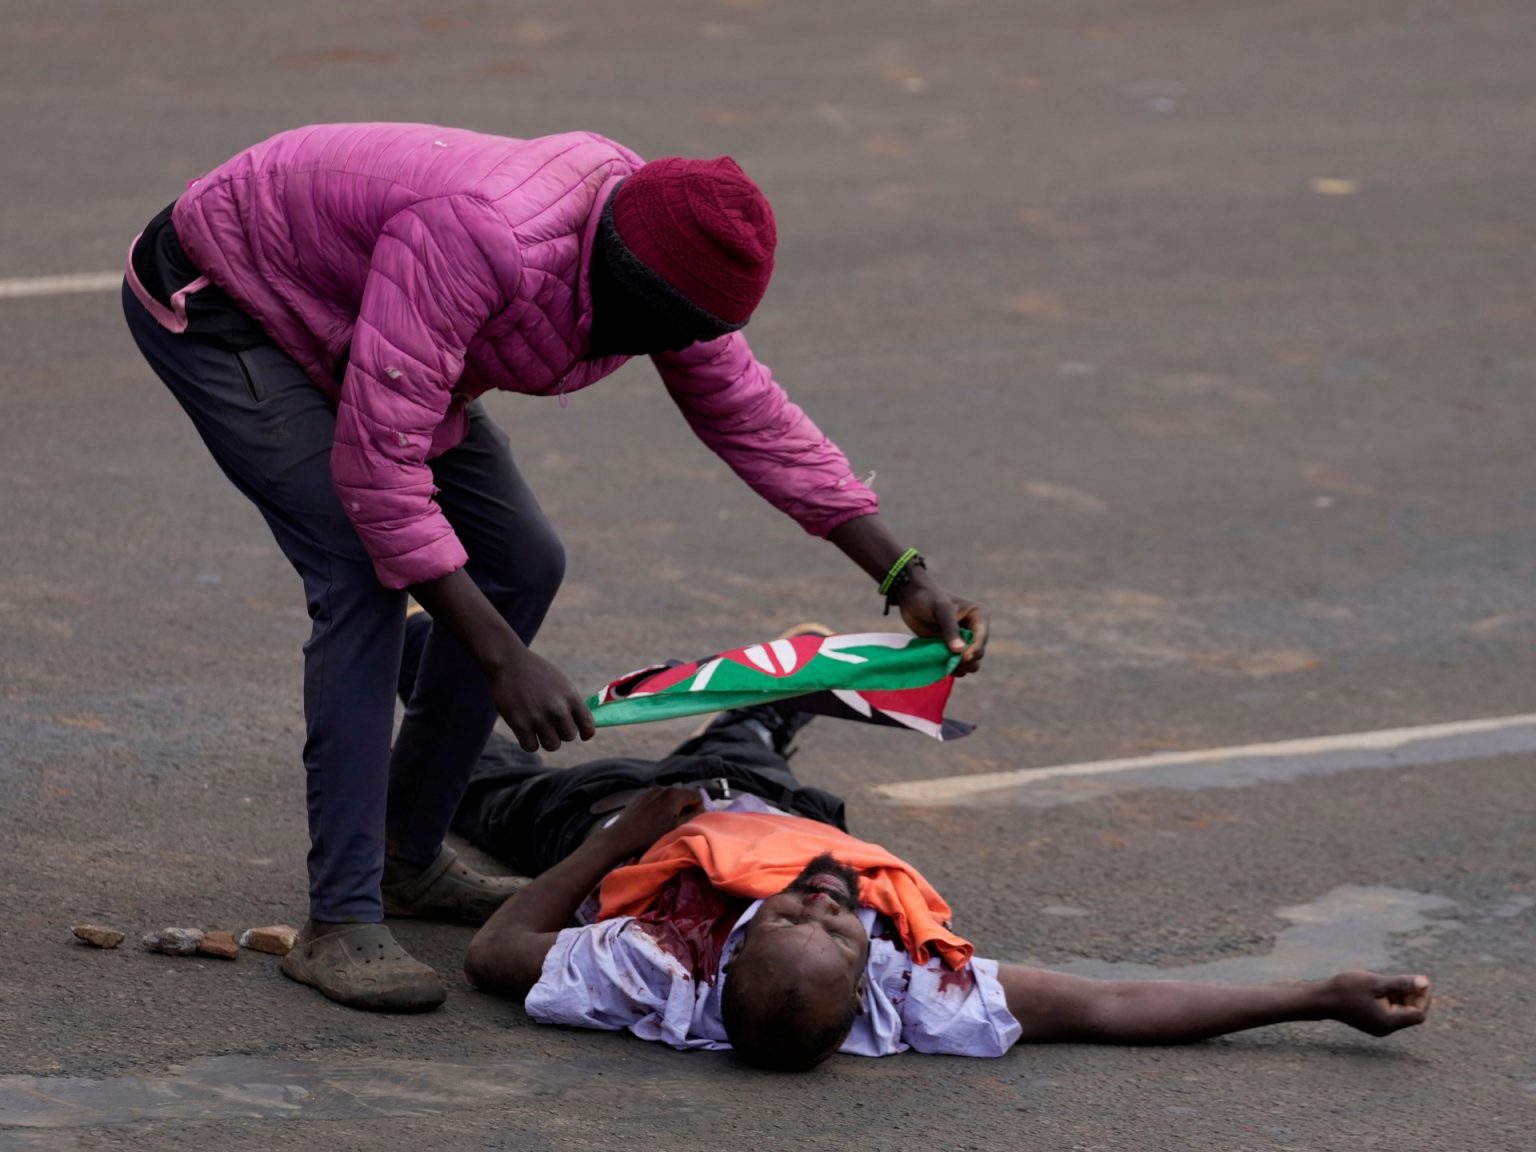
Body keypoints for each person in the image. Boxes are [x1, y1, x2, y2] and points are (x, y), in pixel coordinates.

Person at [120, 123, 988, 1012]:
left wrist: (903, 575)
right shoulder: (485, 236)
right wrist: (503, 659)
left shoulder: (670, 266)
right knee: (360, 574)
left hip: (370, 326)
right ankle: (340, 919)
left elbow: (749, 414)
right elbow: (381, 470)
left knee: (523, 560)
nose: (660, 348)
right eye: (655, 329)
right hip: (231, 298)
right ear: (616, 268)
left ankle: (403, 859)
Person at [454, 633, 1433, 1069]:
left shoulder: (657, 965)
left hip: (630, 825)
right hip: (792, 815)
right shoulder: (912, 992)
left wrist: (630, 836)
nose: (823, 905)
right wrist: (1318, 997)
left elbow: (496, 954)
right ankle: (778, 705)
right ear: (868, 984)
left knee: (475, 781)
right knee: (749, 749)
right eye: (839, 931)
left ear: (731, 954)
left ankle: (437, 656)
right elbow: (1110, 1005)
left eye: (796, 918)